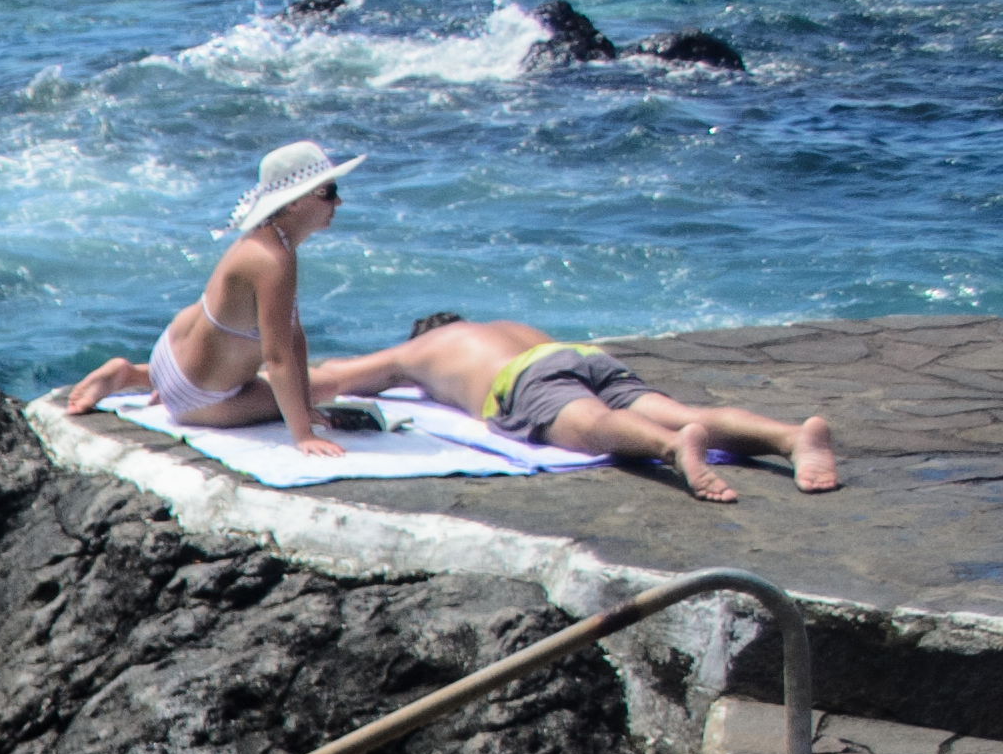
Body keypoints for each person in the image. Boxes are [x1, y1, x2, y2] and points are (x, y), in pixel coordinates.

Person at [309, 311, 839, 500]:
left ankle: (672, 449)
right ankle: (790, 437)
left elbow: (333, 378)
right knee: (675, 408)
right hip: (578, 355)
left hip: (526, 379)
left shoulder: (418, 350)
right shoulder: (507, 326)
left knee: (591, 426)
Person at [52, 140, 361, 454]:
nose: (338, 202)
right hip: (198, 399)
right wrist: (303, 433)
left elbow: (295, 335)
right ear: (294, 203)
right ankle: (142, 379)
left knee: (309, 387)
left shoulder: (266, 241)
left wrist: (303, 403)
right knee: (325, 386)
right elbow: (278, 356)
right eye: (328, 192)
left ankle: (135, 375)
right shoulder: (274, 261)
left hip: (170, 357)